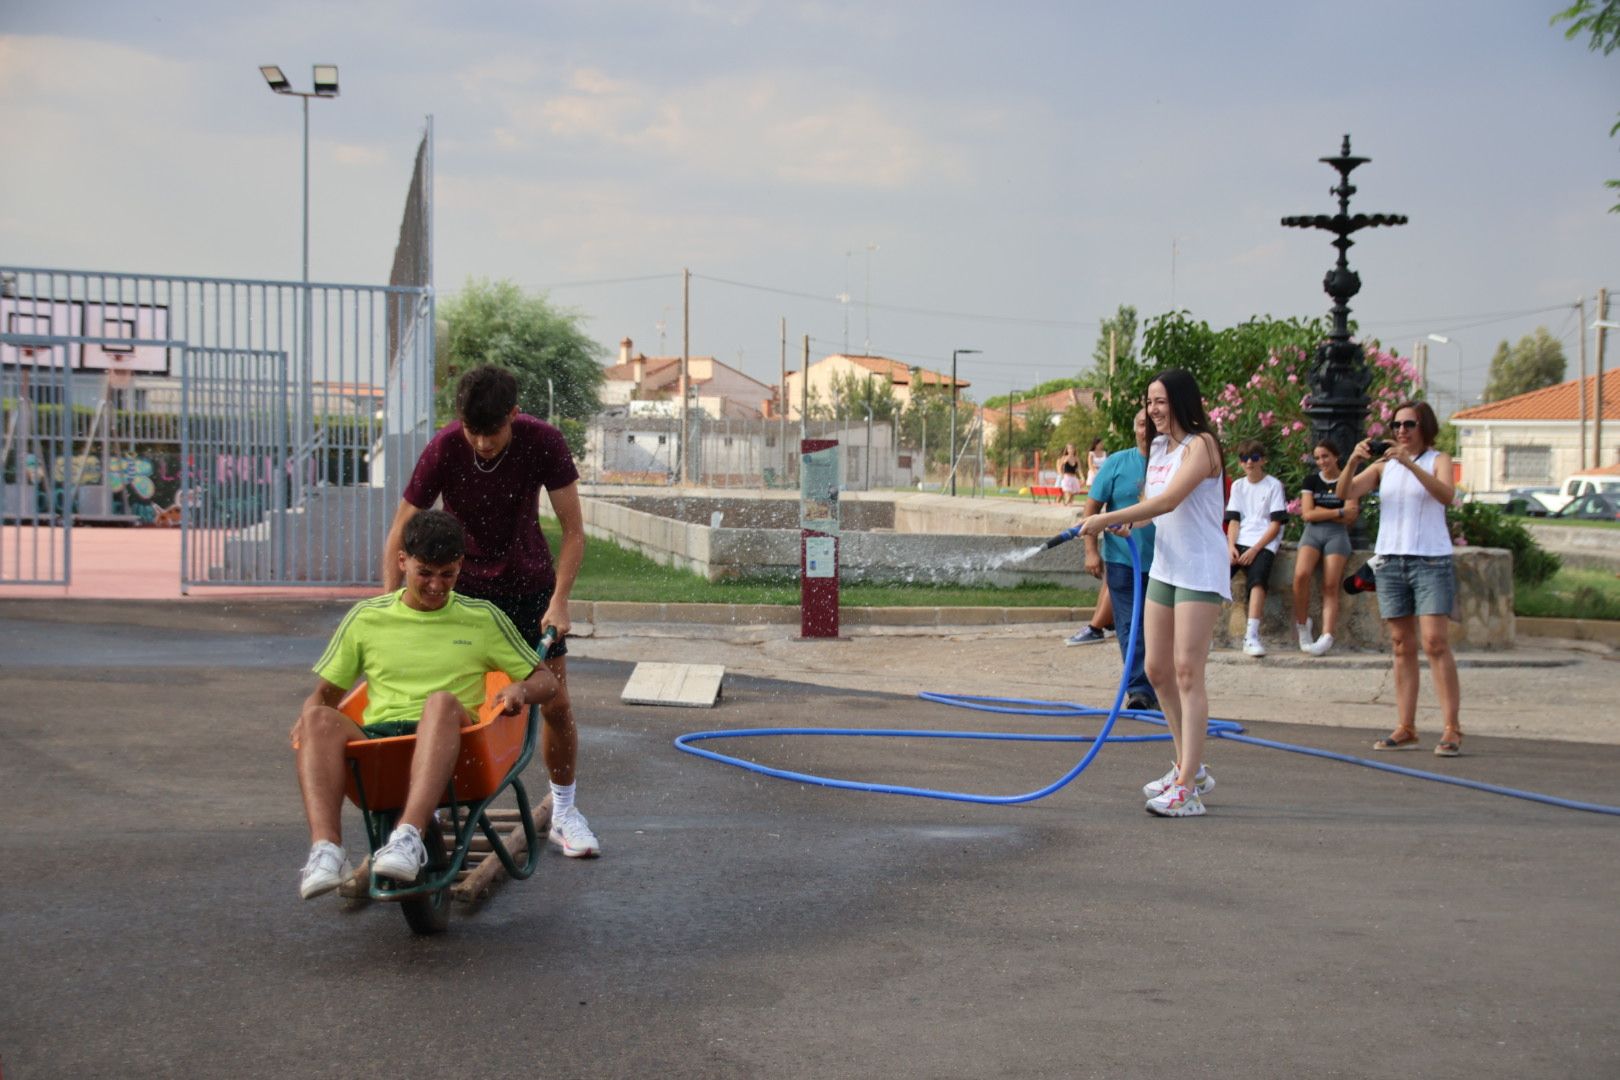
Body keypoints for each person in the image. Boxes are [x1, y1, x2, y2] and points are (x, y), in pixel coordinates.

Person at [382, 365, 600, 857]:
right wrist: (392, 605)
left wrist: (560, 599)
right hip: (459, 591)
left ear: (514, 415)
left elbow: (573, 532)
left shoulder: (542, 441)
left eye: (492, 431)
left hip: (528, 588)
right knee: (437, 703)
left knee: (557, 705)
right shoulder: (444, 447)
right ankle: (428, 810)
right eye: (472, 431)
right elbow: (401, 530)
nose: (481, 443)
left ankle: (565, 811)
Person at [292, 510, 560, 899]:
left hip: (458, 741)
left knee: (440, 702)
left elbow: (546, 681)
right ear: (403, 561)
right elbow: (325, 696)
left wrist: (521, 689)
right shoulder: (368, 619)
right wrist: (306, 721)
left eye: (447, 574)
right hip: (382, 742)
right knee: (316, 718)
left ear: (460, 566)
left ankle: (409, 835)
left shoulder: (481, 618)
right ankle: (326, 850)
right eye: (425, 573)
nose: (436, 586)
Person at [1080, 369, 1229, 818]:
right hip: (1165, 565)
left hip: (1199, 569)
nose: (1153, 410)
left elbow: (1169, 502)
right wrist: (1131, 522)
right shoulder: (1160, 448)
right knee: (1156, 668)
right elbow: (1152, 506)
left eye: (1161, 401)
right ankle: (1189, 764)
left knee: (1187, 671)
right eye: (1149, 402)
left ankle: (1188, 789)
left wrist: (1105, 519)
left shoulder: (1202, 446)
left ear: (1182, 401)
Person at [1335, 401, 1463, 757]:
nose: (1401, 431)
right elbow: (1345, 492)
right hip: (1390, 560)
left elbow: (1447, 495)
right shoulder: (1382, 466)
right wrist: (1353, 461)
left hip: (1430, 560)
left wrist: (1408, 463)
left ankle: (1452, 727)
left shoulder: (1437, 459)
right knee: (1401, 643)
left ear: (1425, 427)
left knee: (1435, 642)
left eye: (1409, 424)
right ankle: (1406, 726)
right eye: (1396, 425)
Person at [1080, 408, 1158, 711]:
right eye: (1141, 424)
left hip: (1165, 563)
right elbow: (1091, 512)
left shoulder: (1172, 465)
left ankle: (1160, 684)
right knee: (1130, 625)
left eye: (1151, 425)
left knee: (1161, 628)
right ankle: (1139, 689)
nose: (1146, 431)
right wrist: (1091, 550)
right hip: (1123, 561)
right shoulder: (1115, 464)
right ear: (1134, 428)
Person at [1292, 439, 1358, 656]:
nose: (1322, 461)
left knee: (1331, 584)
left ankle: (1327, 634)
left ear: (1336, 456)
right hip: (1312, 533)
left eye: (1326, 456)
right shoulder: (1311, 481)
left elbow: (1350, 516)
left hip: (1336, 535)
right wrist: (1337, 511)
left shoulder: (1348, 481)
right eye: (1318, 457)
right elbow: (1307, 514)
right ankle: (1303, 625)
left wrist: (1323, 511)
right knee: (1301, 575)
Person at [1224, 439, 1288, 658]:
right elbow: (1233, 520)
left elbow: (1275, 524)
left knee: (1258, 581)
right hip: (1241, 539)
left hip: (1263, 542)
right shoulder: (1238, 486)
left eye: (1253, 458)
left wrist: (1255, 549)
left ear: (1263, 460)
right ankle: (1203, 632)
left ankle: (1251, 635)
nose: (1249, 463)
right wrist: (1231, 546)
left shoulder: (1273, 485)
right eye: (1244, 459)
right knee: (1215, 575)